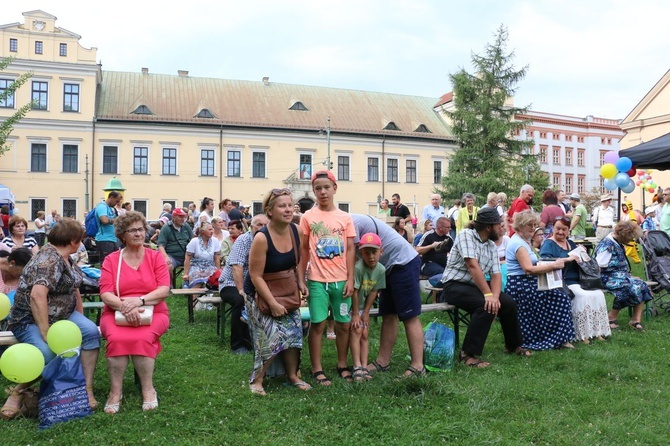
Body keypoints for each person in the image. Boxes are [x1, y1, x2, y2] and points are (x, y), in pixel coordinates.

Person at [3, 219, 100, 419]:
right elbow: (37, 296)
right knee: (48, 354)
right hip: (29, 319)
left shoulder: (66, 257)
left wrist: (79, 316)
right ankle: (17, 392)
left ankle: (86, 388)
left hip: (63, 313)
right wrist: (46, 331)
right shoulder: (47, 261)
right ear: (74, 241)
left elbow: (74, 287)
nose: (81, 243)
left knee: (90, 333)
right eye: (80, 240)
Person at [99, 211, 170, 413]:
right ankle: (115, 392)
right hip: (116, 310)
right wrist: (124, 306)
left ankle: (148, 390)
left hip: (153, 310)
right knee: (117, 338)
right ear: (122, 235)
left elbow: (164, 289)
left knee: (144, 337)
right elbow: (105, 293)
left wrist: (139, 301)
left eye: (141, 229)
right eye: (132, 230)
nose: (138, 234)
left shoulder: (156, 257)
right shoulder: (112, 260)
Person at [441, 207, 529, 368]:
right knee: (485, 306)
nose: (502, 227)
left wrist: (494, 296)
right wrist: (488, 295)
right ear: (488, 227)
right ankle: (467, 354)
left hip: (475, 286)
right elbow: (472, 265)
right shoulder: (466, 235)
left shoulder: (490, 245)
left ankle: (513, 345)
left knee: (507, 302)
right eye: (499, 224)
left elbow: (496, 274)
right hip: (454, 286)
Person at [247, 189, 311, 394]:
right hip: (259, 292)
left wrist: (301, 282)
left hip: (286, 288)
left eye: (290, 205)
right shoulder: (261, 238)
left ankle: (292, 375)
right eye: (282, 206)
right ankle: (257, 379)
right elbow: (255, 276)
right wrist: (272, 303)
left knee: (295, 330)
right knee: (271, 333)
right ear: (270, 211)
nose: (288, 209)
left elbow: (298, 260)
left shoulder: (296, 231)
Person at [350, 214, 425, 378]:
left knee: (409, 315)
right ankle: (382, 362)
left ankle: (418, 367)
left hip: (404, 262)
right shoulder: (344, 222)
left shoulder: (349, 222)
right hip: (388, 268)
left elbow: (352, 256)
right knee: (388, 314)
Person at [300, 171, 356, 385]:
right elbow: (304, 249)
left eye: (326, 187)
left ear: (335, 188)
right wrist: (301, 278)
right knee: (318, 324)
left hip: (341, 281)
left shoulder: (345, 217)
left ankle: (342, 364)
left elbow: (350, 250)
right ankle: (317, 368)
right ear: (314, 191)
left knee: (343, 324)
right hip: (317, 281)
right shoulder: (308, 217)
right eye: (318, 188)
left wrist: (350, 279)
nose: (322, 192)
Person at [506, 210, 575, 350]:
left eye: (534, 224)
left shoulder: (524, 241)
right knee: (561, 299)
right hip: (520, 285)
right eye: (529, 225)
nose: (533, 228)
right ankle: (555, 339)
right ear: (519, 226)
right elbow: (528, 269)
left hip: (527, 282)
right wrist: (554, 265)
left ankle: (558, 338)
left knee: (561, 296)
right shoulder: (518, 244)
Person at [540, 216, 611, 344]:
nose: (561, 232)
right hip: (563, 281)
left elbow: (585, 261)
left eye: (564, 229)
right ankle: (583, 334)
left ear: (569, 231)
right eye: (558, 228)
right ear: (553, 229)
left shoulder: (570, 243)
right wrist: (568, 259)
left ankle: (597, 331)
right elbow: (545, 263)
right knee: (583, 296)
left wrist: (583, 253)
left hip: (580, 279)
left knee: (598, 294)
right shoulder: (548, 244)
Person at [219, 214, 268, 354]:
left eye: (265, 225)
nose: (262, 228)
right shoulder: (243, 240)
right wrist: (241, 289)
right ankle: (238, 345)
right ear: (251, 226)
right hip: (230, 283)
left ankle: (263, 341)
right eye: (259, 224)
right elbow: (237, 267)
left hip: (254, 283)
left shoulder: (269, 240)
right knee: (241, 300)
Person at [594, 221, 653, 332]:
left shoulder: (617, 242)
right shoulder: (607, 245)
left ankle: (635, 320)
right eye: (630, 238)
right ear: (623, 235)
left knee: (641, 285)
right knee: (628, 287)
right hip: (605, 278)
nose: (632, 240)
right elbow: (598, 267)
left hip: (618, 277)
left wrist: (628, 276)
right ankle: (611, 317)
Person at [350, 232, 385, 382]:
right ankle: (356, 366)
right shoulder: (358, 268)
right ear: (361, 253)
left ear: (381, 252)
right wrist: (357, 314)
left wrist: (366, 312)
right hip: (353, 305)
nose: (371, 256)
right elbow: (355, 292)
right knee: (357, 330)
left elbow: (374, 291)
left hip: (364, 308)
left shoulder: (381, 269)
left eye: (374, 252)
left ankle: (364, 366)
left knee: (365, 333)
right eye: (366, 253)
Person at [157, 207, 194, 283]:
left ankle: (189, 286)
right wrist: (166, 257)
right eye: (180, 216)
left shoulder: (186, 226)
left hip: (187, 256)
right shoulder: (166, 228)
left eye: (184, 217)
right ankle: (169, 286)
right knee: (167, 266)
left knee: (198, 264)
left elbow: (193, 240)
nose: (182, 219)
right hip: (172, 256)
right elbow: (161, 246)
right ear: (173, 217)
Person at [0, 248, 32, 331]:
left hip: (13, 321)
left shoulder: (24, 278)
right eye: (23, 271)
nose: (25, 274)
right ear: (12, 263)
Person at [183, 222, 221, 288]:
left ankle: (209, 296)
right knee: (197, 277)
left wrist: (218, 271)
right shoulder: (194, 241)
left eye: (212, 229)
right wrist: (185, 274)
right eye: (209, 230)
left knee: (213, 278)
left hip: (210, 266)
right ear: (203, 232)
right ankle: (194, 297)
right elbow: (187, 259)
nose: (212, 231)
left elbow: (216, 258)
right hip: (196, 266)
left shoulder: (215, 241)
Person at [416, 216, 453, 283]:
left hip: (443, 264)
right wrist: (431, 246)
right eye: (448, 227)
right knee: (443, 273)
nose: (450, 229)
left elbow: (454, 252)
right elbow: (417, 250)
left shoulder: (448, 238)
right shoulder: (429, 235)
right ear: (440, 228)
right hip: (428, 264)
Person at [95, 191, 122, 263]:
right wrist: (116, 220)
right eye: (116, 201)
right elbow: (104, 220)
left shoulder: (110, 208)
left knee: (115, 261)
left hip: (112, 239)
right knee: (106, 262)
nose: (117, 203)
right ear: (111, 197)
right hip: (104, 239)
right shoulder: (102, 207)